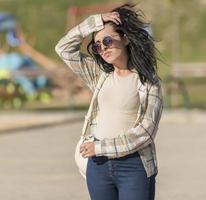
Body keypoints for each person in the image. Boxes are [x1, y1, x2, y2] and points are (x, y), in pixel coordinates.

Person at [55, 4, 163, 200]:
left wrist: (100, 148)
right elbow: (63, 49)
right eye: (97, 45)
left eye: (107, 40)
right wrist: (97, 21)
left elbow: (146, 132)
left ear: (126, 38)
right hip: (98, 167)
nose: (102, 48)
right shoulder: (99, 75)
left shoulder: (148, 82)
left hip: (134, 166)